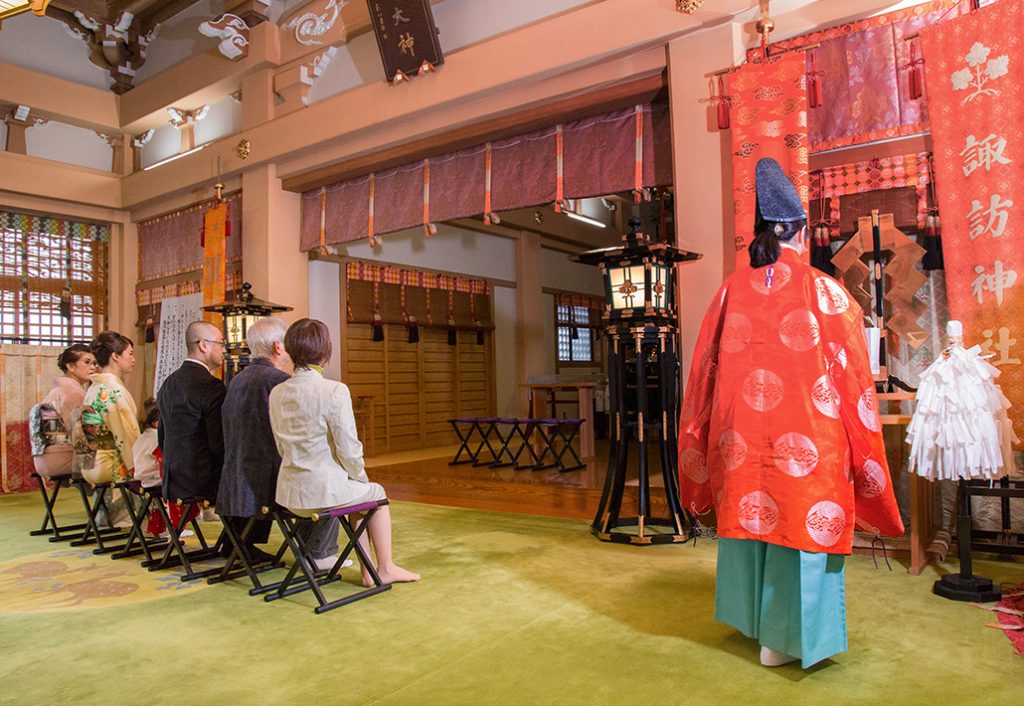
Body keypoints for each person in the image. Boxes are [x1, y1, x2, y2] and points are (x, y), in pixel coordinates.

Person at [677, 157, 904, 669]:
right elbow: (854, 384)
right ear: (799, 233)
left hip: (740, 439)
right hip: (808, 440)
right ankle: (785, 640)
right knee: (799, 530)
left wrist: (704, 437)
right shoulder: (826, 292)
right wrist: (863, 455)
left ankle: (752, 622)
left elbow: (701, 378)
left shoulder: (729, 290)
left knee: (751, 521)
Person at [269, 318, 419, 583]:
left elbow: (281, 446)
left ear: (289, 350)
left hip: (289, 494)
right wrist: (359, 476)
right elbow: (348, 448)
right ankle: (384, 567)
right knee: (375, 494)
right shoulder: (334, 390)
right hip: (322, 493)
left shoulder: (277, 392)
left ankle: (369, 572)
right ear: (325, 351)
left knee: (359, 496)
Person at [217, 317, 292, 564]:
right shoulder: (279, 382)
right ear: (278, 347)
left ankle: (238, 541)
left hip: (233, 478)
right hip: (264, 480)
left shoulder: (237, 379)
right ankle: (317, 553)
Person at [157, 321, 227, 509]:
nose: (224, 350)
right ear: (204, 345)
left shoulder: (168, 383)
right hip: (202, 481)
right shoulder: (211, 386)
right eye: (221, 344)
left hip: (172, 479)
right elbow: (218, 444)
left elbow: (162, 437)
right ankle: (239, 539)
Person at [80, 331, 140, 528]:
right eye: (129, 354)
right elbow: (127, 435)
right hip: (109, 465)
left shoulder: (93, 388)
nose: (133, 359)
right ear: (115, 356)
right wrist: (141, 464)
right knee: (152, 467)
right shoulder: (113, 390)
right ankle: (153, 525)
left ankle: (107, 517)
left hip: (89, 462)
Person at [30, 343, 96, 479]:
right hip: (61, 459)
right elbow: (81, 435)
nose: (93, 367)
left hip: (45, 460)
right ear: (70, 366)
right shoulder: (72, 392)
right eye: (87, 362)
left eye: (94, 363)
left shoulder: (59, 390)